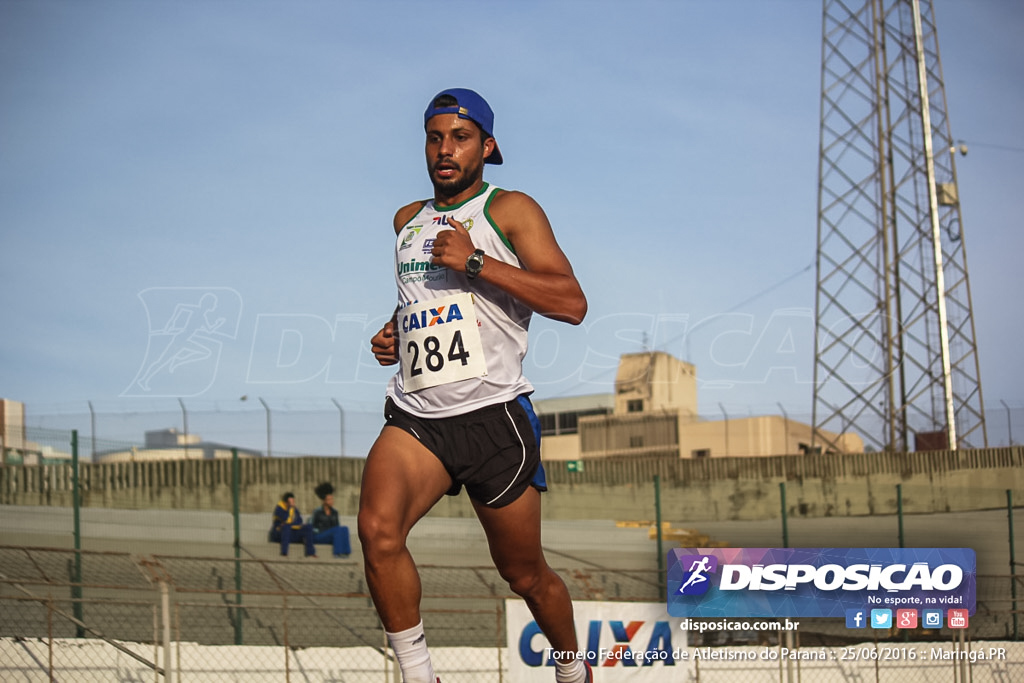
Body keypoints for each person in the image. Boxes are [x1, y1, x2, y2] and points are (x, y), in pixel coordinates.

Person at [360, 88, 591, 683]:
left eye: (460, 138)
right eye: (435, 137)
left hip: (493, 420)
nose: (445, 149)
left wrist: (476, 261)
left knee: (525, 575)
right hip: (418, 418)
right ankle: (418, 674)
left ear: (486, 146)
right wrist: (395, 332)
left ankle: (573, 672)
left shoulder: (510, 209)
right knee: (377, 531)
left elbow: (571, 302)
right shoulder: (405, 221)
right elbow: (425, 300)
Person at [269, 492, 316, 558]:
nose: (293, 503)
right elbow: (285, 520)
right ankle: (284, 553)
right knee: (286, 527)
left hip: (290, 533)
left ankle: (310, 553)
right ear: (285, 502)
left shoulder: (294, 508)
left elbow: (299, 521)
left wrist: (292, 523)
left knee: (308, 527)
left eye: (293, 501)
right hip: (279, 534)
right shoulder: (279, 509)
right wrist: (290, 509)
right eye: (291, 502)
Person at [311, 482, 351, 557]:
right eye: (329, 499)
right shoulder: (317, 512)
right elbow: (311, 525)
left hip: (331, 535)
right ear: (324, 501)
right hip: (319, 535)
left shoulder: (335, 512)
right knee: (337, 530)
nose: (332, 501)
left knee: (345, 528)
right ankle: (337, 553)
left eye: (332, 499)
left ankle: (346, 552)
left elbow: (337, 526)